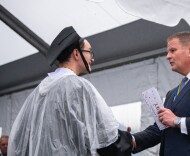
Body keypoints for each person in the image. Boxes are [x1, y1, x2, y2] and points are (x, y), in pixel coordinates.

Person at [8, 26, 132, 156]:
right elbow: (106, 141)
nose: (93, 58)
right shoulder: (78, 86)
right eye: (89, 52)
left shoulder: (37, 92)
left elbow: (18, 142)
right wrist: (129, 141)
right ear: (76, 53)